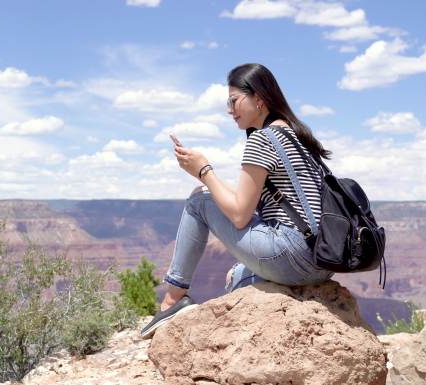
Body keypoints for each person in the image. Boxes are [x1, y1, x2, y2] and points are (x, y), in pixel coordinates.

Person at [140, 63, 334, 339]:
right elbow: (252, 203)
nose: (230, 111)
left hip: (293, 254)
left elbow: (240, 215)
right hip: (322, 263)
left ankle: (172, 300)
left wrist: (203, 171)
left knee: (199, 201)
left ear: (259, 98)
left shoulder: (262, 140)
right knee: (236, 277)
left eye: (234, 101)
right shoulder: (298, 136)